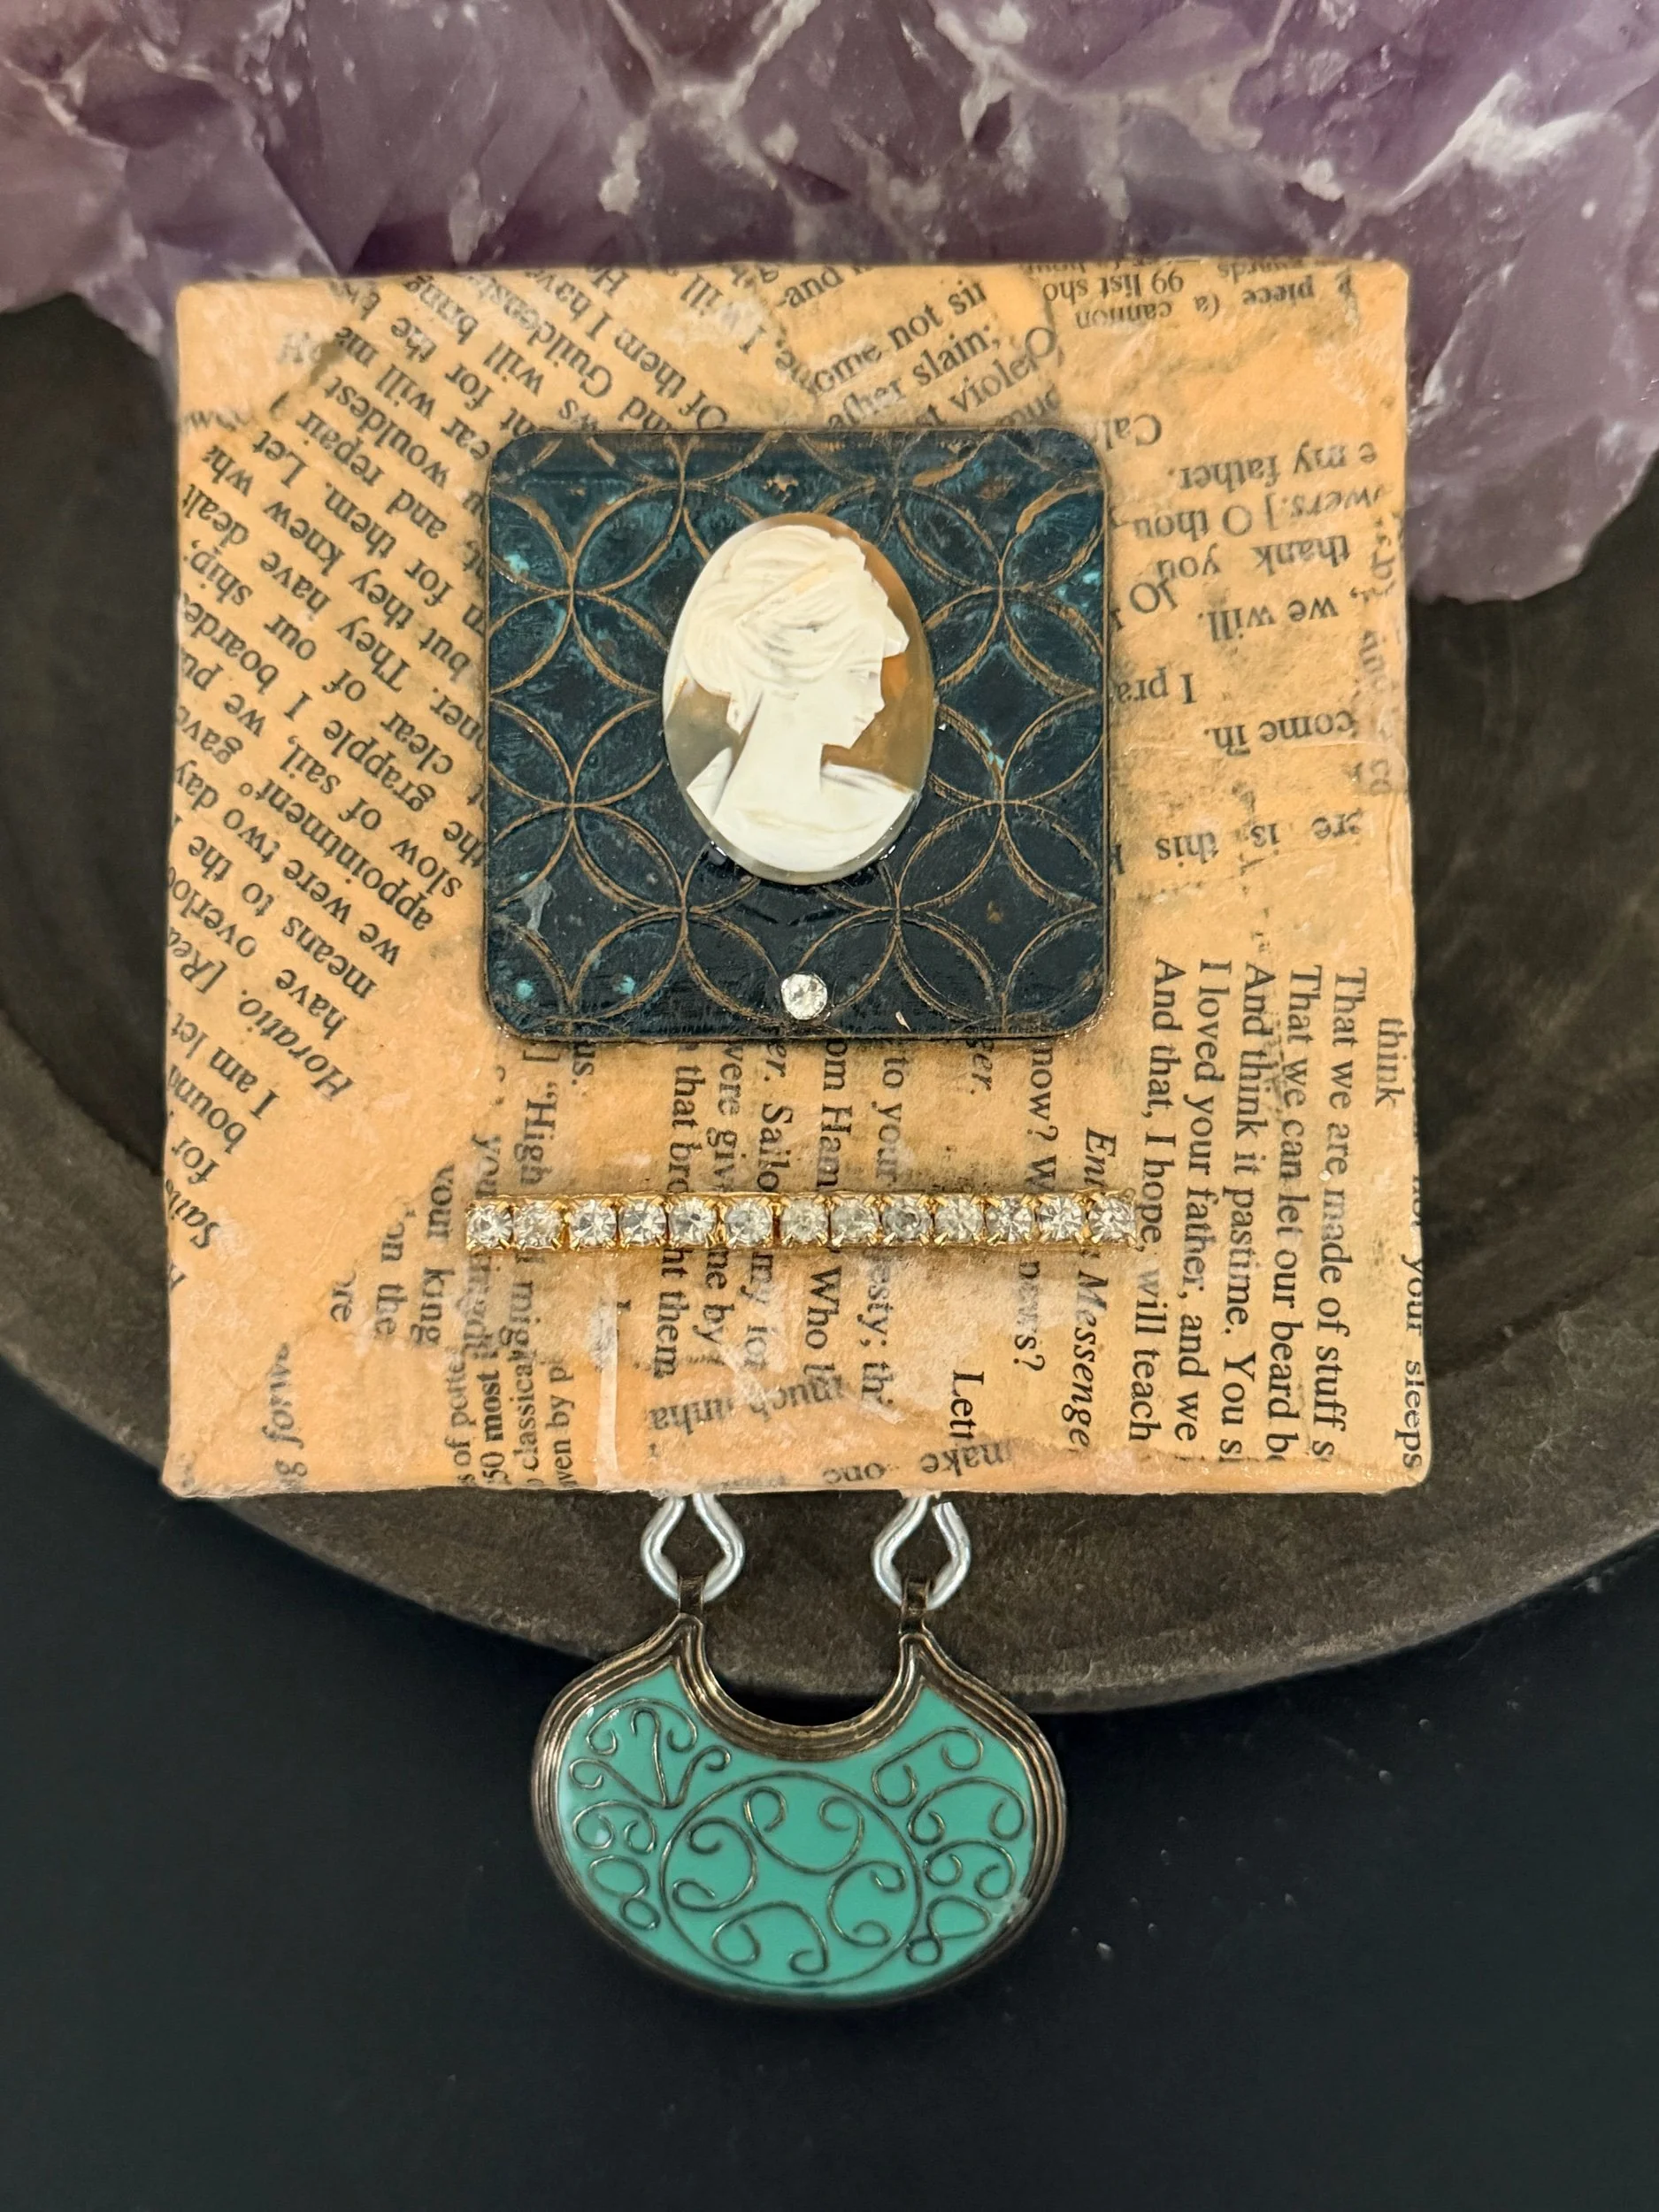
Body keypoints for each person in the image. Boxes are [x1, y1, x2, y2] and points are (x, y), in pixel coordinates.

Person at [666, 519, 914, 880]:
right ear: (787, 667)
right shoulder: (717, 807)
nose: (877, 702)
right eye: (861, 675)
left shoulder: (878, 807)